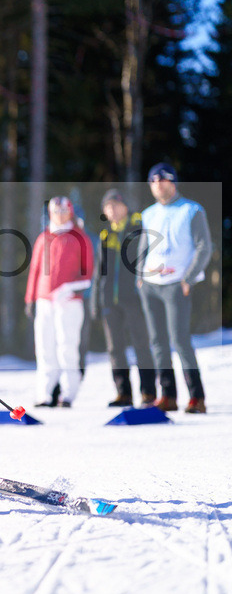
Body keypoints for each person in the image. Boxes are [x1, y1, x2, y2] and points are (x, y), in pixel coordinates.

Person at [137, 163, 212, 413]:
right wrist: (139, 274)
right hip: (150, 286)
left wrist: (189, 278)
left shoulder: (191, 210)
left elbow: (204, 247)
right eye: (153, 182)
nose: (158, 185)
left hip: (176, 284)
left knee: (180, 341)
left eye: (162, 180)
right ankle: (167, 396)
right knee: (157, 341)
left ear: (173, 182)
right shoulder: (148, 213)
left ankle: (196, 398)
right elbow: (143, 247)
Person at [25, 196, 94, 407]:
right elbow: (35, 270)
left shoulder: (80, 237)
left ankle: (68, 393)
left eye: (64, 211)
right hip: (45, 301)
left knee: (67, 347)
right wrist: (30, 299)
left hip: (69, 302)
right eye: (56, 211)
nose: (60, 215)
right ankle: (45, 394)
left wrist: (68, 289)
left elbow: (87, 274)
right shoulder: (43, 238)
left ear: (70, 212)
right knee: (45, 348)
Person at [90, 189, 156, 407]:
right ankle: (123, 393)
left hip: (134, 297)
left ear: (124, 206)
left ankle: (148, 392)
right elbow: (99, 273)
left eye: (115, 205)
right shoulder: (105, 235)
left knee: (141, 344)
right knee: (115, 348)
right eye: (107, 207)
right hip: (110, 301)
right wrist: (96, 302)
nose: (112, 210)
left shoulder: (137, 228)